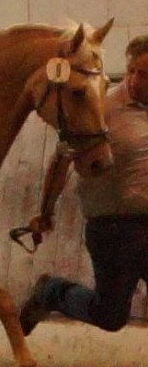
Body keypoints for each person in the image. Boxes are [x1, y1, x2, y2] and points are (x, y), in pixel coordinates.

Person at [20, 34, 148, 335]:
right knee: (110, 316)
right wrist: (45, 212)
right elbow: (62, 159)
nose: (134, 80)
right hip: (114, 228)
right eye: (131, 71)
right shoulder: (101, 109)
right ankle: (51, 292)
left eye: (144, 74)